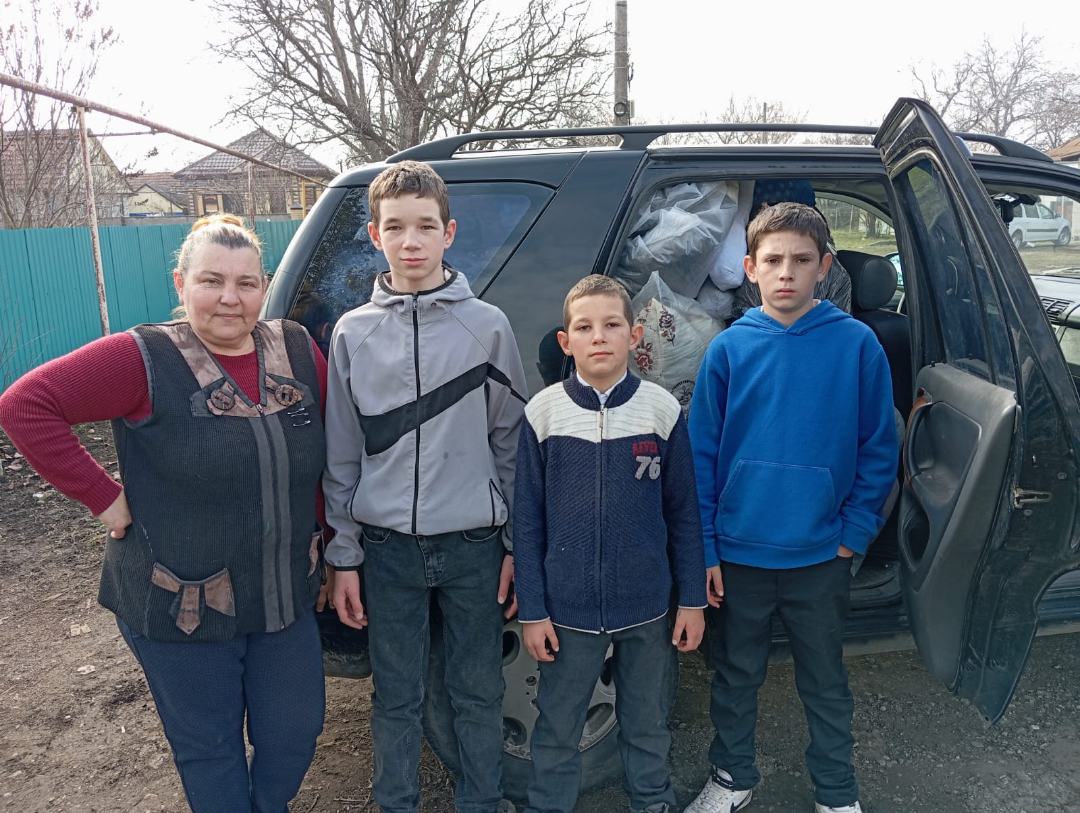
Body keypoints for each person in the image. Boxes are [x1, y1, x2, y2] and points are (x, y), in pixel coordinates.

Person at [0, 213, 331, 813]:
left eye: (246, 283)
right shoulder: (143, 357)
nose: (230, 298)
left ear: (264, 286)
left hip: (284, 593)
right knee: (210, 749)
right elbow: (26, 405)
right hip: (181, 604)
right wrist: (104, 497)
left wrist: (332, 549)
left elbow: (329, 458)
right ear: (181, 283)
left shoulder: (297, 351)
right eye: (211, 280)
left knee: (295, 732)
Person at [323, 160, 529, 813]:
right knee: (396, 696)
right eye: (395, 227)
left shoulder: (487, 326)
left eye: (425, 226)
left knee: (478, 691)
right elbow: (342, 453)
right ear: (374, 234)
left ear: (449, 232)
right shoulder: (352, 332)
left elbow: (510, 442)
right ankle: (396, 802)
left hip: (474, 546)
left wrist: (515, 544)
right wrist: (344, 555)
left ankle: (482, 800)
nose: (410, 241)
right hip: (387, 550)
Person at [685, 202, 898, 813]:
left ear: (824, 267)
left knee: (825, 679)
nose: (786, 273)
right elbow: (701, 455)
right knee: (735, 674)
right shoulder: (729, 349)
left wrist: (853, 533)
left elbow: (879, 447)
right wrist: (707, 547)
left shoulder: (856, 345)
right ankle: (732, 777)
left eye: (801, 260)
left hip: (821, 553)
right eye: (773, 260)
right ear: (750, 268)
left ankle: (837, 792)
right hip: (739, 554)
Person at [513, 274, 708, 813]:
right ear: (565, 341)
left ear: (634, 334)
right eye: (584, 327)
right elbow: (526, 522)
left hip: (647, 608)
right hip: (567, 612)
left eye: (612, 324)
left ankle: (652, 802)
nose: (598, 336)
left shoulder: (661, 411)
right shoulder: (543, 414)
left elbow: (684, 513)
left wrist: (691, 600)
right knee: (557, 727)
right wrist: (533, 610)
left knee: (647, 723)